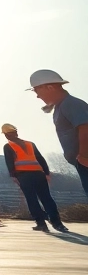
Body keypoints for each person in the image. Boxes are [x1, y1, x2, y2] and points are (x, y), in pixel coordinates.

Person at [29, 69, 88, 198]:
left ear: (49, 87)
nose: (37, 96)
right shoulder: (61, 107)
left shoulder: (70, 104)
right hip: (82, 163)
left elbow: (85, 128)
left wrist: (84, 156)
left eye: (37, 90)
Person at [1, 123, 67, 233]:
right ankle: (57, 223)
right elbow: (40, 159)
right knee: (47, 198)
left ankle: (41, 224)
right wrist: (46, 173)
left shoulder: (8, 146)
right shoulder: (30, 144)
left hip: (24, 176)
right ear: (16, 132)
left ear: (6, 135)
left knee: (32, 200)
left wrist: (13, 176)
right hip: (39, 174)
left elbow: (10, 162)